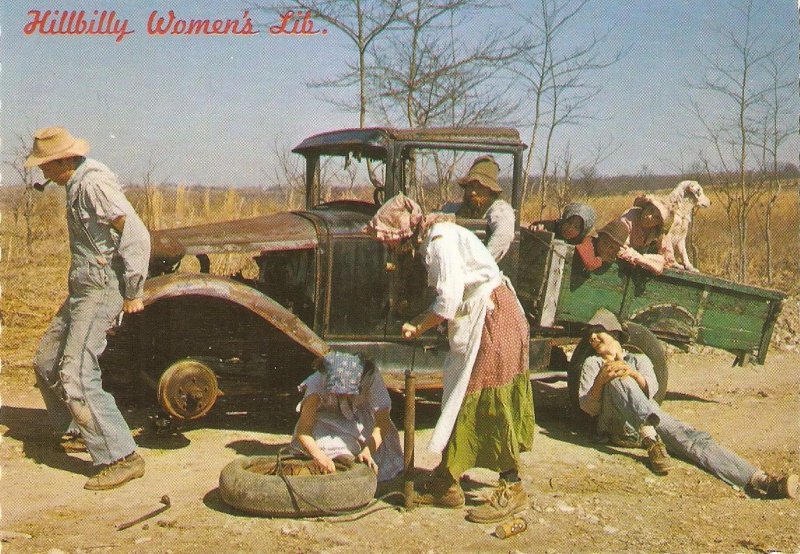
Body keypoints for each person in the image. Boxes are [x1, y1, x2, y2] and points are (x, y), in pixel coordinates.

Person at [364, 193, 534, 524]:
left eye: (391, 242)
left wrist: (418, 324)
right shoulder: (432, 240)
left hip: (494, 319)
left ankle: (512, 488)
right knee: (459, 397)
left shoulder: (440, 241)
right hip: (478, 318)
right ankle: (447, 482)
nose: (390, 250)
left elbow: (448, 301)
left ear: (403, 234)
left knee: (489, 399)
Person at [26, 127, 151, 490]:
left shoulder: (94, 184)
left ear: (64, 160)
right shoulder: (74, 183)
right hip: (81, 286)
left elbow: (136, 234)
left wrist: (133, 289)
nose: (42, 173)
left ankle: (121, 456)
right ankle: (79, 429)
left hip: (100, 287)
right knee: (46, 361)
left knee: (76, 372)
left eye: (45, 166)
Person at [578, 308, 799, 499]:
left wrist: (633, 373)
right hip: (615, 425)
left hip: (650, 422)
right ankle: (649, 434)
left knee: (695, 440)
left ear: (615, 332)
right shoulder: (591, 363)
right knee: (616, 377)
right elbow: (588, 408)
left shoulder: (641, 360)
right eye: (590, 335)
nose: (593, 337)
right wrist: (601, 380)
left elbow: (652, 392)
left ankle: (762, 480)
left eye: (599, 331)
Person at [289, 351, 404, 483]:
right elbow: (304, 430)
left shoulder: (371, 377)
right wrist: (318, 455)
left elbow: (382, 422)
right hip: (326, 420)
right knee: (327, 450)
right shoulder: (317, 383)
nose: (343, 396)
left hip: (361, 418)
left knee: (366, 456)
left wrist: (368, 450)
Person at [453, 155, 515, 262]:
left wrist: (479, 265)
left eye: (479, 187)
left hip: (484, 275)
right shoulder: (458, 207)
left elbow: (504, 234)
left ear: (490, 191)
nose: (473, 192)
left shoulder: (499, 209)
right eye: (470, 186)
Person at [530, 202, 603, 271]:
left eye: (576, 227)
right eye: (569, 222)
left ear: (582, 231)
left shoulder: (583, 240)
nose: (570, 229)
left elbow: (590, 263)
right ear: (564, 219)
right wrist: (537, 229)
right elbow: (533, 229)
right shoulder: (550, 226)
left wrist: (601, 259)